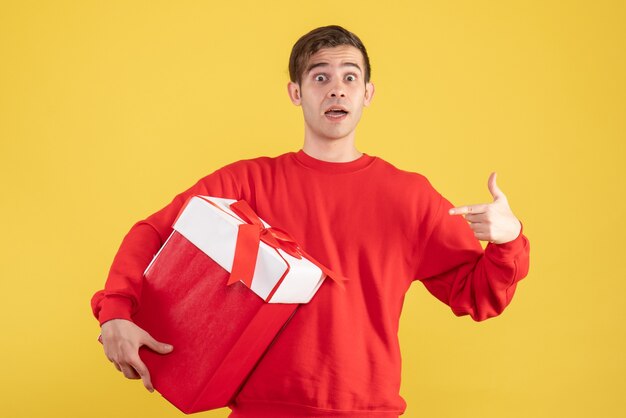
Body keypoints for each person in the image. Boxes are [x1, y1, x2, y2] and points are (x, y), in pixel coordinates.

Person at [91, 25, 530, 417]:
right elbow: (153, 233)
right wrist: (115, 313)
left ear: (368, 94)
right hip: (260, 411)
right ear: (296, 93)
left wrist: (508, 241)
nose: (336, 89)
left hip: (367, 411)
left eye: (349, 77)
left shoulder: (410, 197)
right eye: (320, 77)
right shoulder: (247, 182)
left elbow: (478, 295)